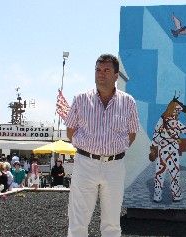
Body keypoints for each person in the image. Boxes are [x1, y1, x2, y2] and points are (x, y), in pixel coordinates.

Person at [65, 53, 140, 237]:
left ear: (116, 75)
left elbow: (132, 133)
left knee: (112, 223)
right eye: (98, 70)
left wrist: (116, 149)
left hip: (114, 166)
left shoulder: (128, 101)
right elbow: (70, 130)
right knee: (78, 222)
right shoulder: (81, 99)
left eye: (107, 70)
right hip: (85, 163)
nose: (101, 74)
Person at [150, 95, 186, 202]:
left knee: (159, 173)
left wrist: (154, 148)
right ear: (174, 110)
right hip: (173, 151)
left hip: (161, 150)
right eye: (178, 111)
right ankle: (176, 195)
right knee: (174, 174)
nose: (178, 113)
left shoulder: (161, 120)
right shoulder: (176, 122)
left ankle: (157, 196)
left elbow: (155, 136)